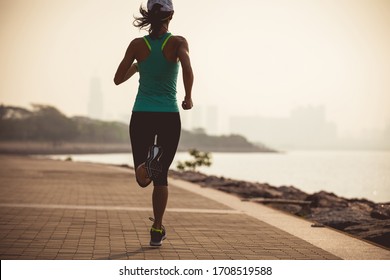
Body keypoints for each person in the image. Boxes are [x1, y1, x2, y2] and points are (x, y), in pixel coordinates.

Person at [114, 0, 194, 246]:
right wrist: (188, 97)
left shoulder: (138, 45)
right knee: (161, 177)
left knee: (143, 178)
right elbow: (188, 68)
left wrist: (138, 66)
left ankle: (146, 166)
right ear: (171, 15)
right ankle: (157, 230)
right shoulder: (178, 42)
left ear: (149, 16)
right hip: (168, 115)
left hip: (141, 115)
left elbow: (117, 79)